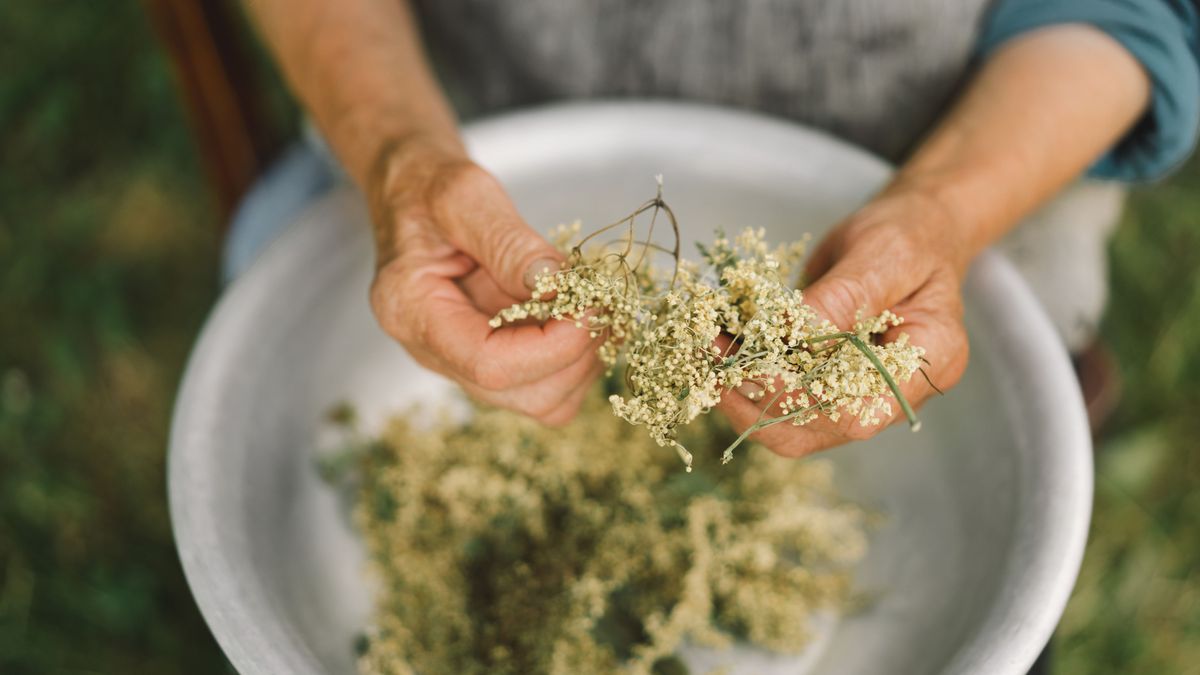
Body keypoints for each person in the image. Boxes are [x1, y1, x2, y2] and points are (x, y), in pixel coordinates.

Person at [236, 3, 1197, 458]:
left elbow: (1131, 12)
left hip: (949, 153)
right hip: (472, 136)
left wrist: (946, 207)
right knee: (281, 342)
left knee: (999, 423)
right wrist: (398, 149)